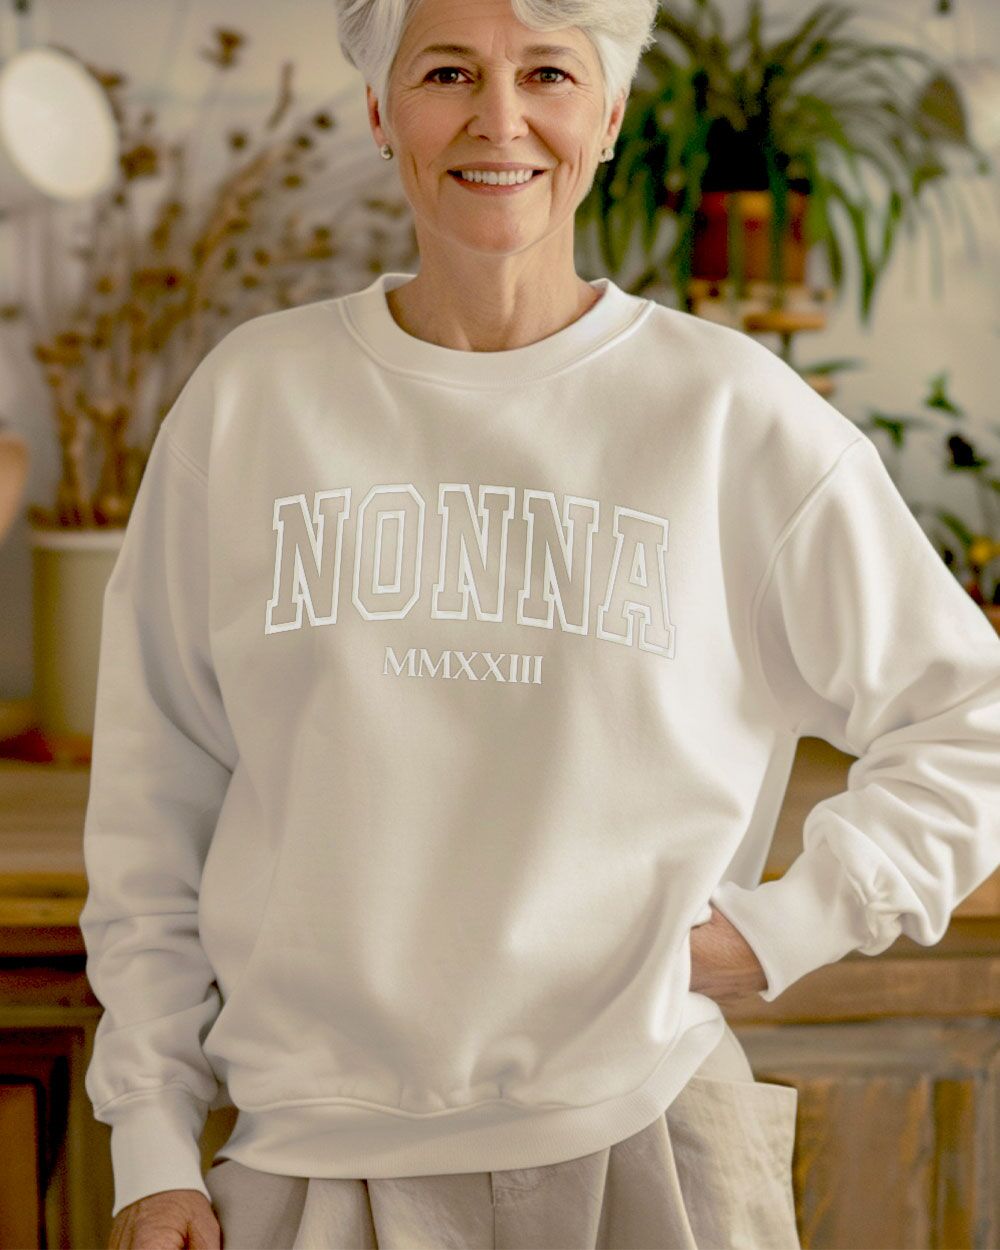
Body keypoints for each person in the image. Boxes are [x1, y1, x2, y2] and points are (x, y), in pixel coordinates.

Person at [79, 0, 1000, 1247]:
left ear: (608, 115)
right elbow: (154, 809)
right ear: (379, 108)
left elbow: (971, 721)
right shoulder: (251, 402)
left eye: (548, 74)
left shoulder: (731, 416)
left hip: (649, 1134)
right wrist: (149, 1141)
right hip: (305, 1157)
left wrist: (779, 929)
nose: (498, 119)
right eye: (447, 72)